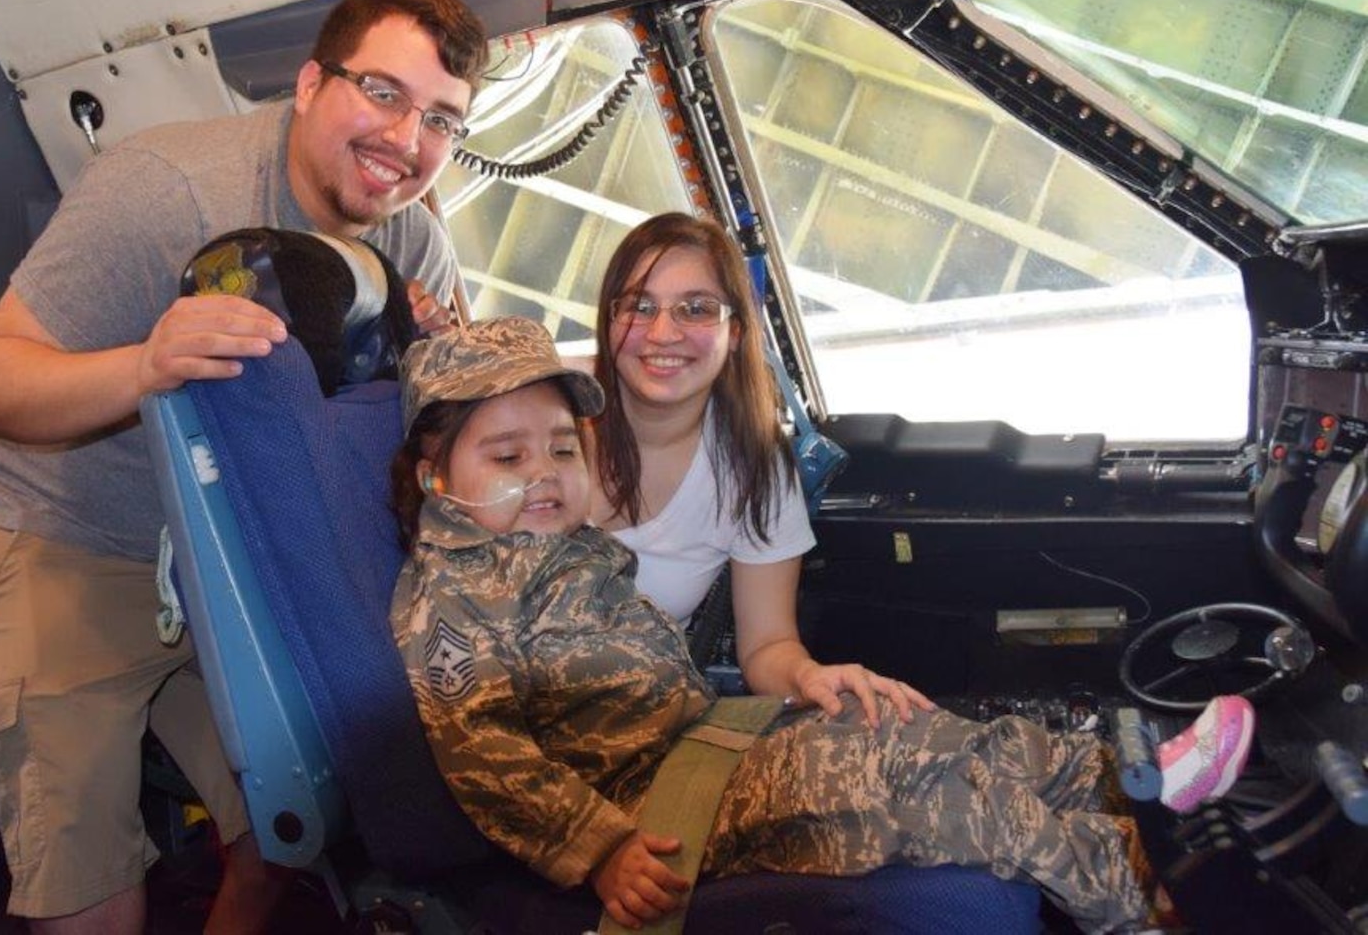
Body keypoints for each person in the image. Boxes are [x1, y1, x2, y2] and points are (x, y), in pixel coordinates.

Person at [388, 316, 1254, 933]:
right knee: (926, 795)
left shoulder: (560, 544)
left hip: (713, 740)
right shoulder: (452, 601)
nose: (543, 472)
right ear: (435, 476)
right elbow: (486, 760)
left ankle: (1128, 781)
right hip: (656, 805)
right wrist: (603, 849)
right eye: (507, 456)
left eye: (562, 449)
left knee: (923, 731)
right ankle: (1137, 896)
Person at [0, 0, 487, 932]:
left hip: (230, 542)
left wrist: (438, 377)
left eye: (442, 119)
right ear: (312, 84)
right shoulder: (166, 189)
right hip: (67, 530)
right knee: (90, 881)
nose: (406, 143)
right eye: (384, 93)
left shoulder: (415, 248)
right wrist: (143, 364)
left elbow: (446, 449)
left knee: (292, 823)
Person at [590, 211, 926, 725]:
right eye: (639, 306)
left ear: (735, 333)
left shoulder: (754, 468)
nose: (662, 332)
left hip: (630, 728)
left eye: (696, 309)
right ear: (607, 321)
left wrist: (808, 678)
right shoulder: (542, 422)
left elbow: (767, 645)